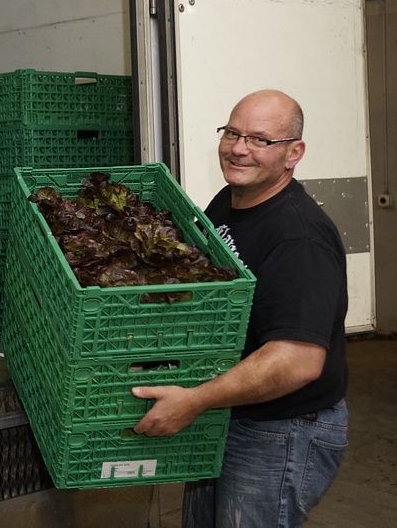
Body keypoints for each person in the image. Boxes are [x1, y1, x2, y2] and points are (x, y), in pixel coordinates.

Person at [131, 89, 349, 527]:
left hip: (281, 429)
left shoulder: (299, 238)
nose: (238, 148)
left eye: (259, 139)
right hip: (229, 411)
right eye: (232, 133)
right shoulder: (228, 204)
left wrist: (193, 401)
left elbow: (298, 359)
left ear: (293, 153)